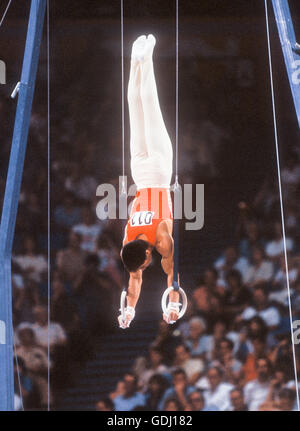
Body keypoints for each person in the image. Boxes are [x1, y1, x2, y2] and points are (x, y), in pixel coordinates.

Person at [119, 35, 180, 329]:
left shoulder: (161, 239)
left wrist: (173, 304)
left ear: (146, 252)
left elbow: (172, 274)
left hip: (158, 168)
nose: (146, 267)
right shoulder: (128, 239)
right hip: (139, 172)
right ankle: (135, 59)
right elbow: (133, 278)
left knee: (149, 105)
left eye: (145, 263)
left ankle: (149, 56)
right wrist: (128, 310)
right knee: (135, 110)